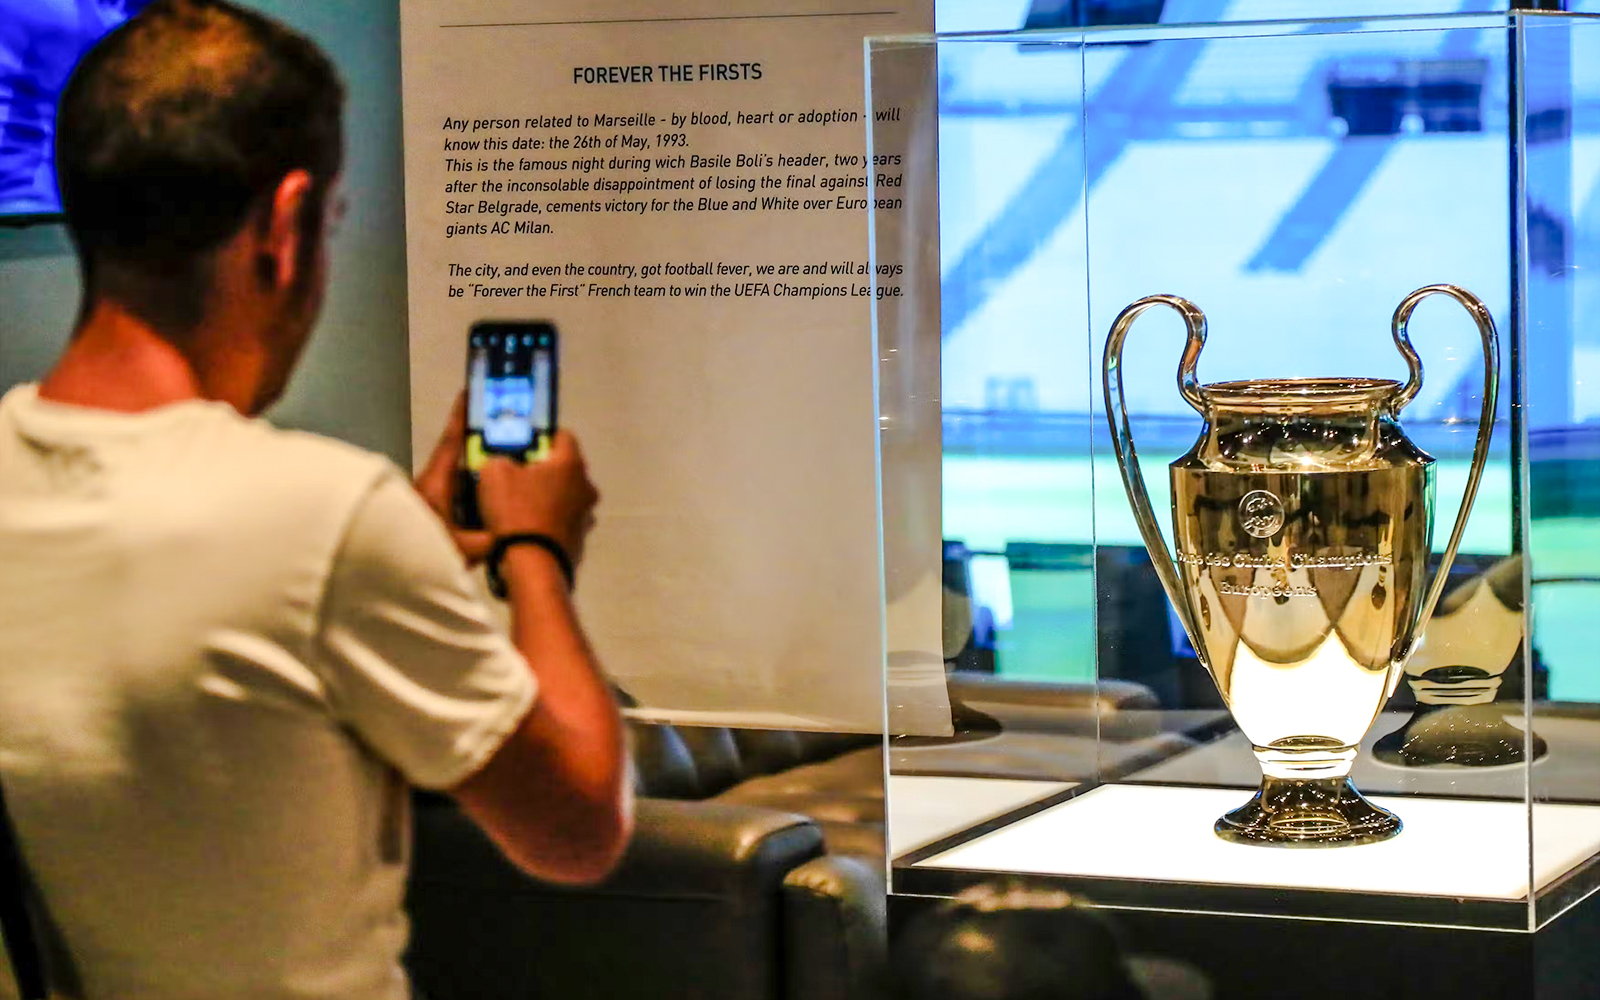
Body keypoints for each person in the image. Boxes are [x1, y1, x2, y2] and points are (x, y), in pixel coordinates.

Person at [0, 2, 630, 998]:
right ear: (285, 227)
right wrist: (534, 550)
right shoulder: (323, 512)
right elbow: (579, 826)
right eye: (333, 224)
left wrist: (408, 545)